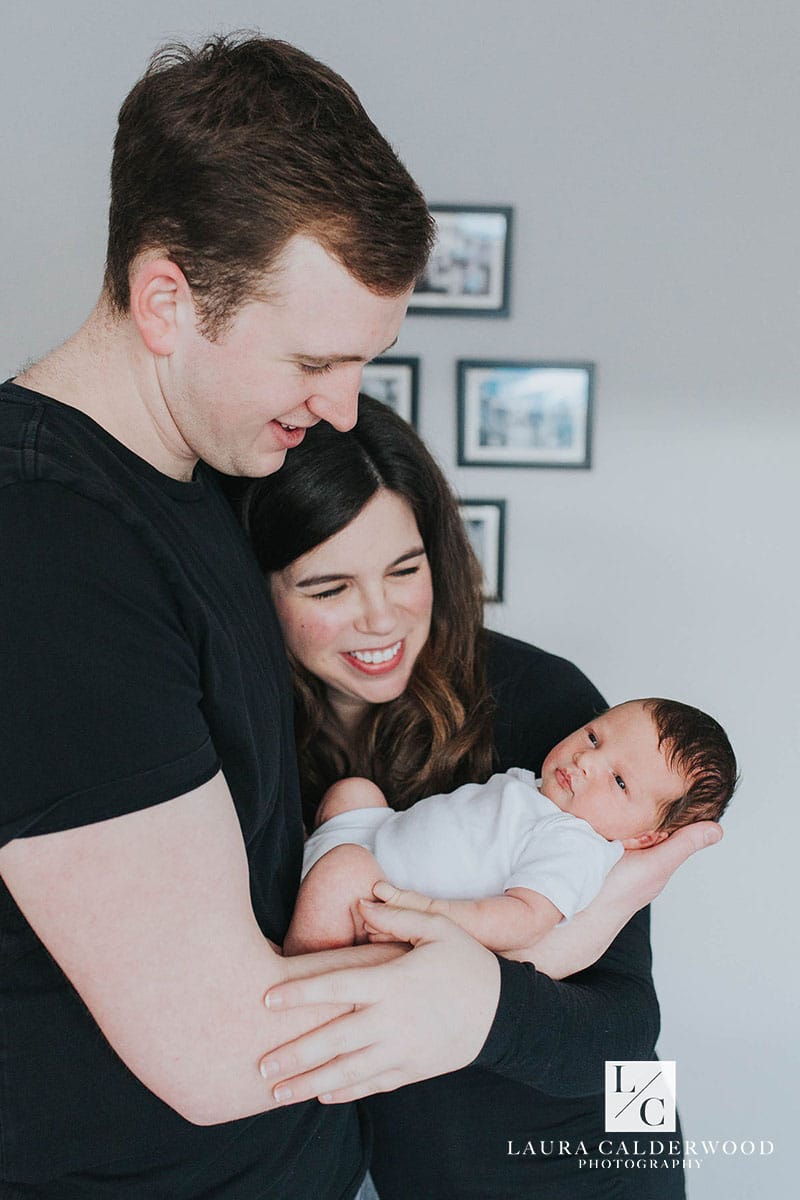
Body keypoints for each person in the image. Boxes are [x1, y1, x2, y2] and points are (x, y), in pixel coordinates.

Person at [0, 35, 515, 1200]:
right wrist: (477, 994)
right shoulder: (48, 549)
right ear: (166, 299)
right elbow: (224, 1046)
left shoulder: (196, 483)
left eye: (364, 365)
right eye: (314, 361)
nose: (341, 413)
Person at [237, 394, 725, 1200]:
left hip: (600, 1151)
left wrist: (482, 994)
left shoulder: (556, 710)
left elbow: (630, 1028)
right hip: (412, 1166)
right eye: (328, 587)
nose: (381, 617)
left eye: (406, 570)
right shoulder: (236, 732)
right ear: (257, 593)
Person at [287, 698, 737, 954]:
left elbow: (525, 920)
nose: (586, 760)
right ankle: (300, 880)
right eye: (594, 737)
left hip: (381, 896)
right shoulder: (538, 788)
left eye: (619, 780)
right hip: (380, 840)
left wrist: (426, 911)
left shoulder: (574, 846)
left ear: (645, 837)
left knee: (342, 868)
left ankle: (298, 967)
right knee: (354, 791)